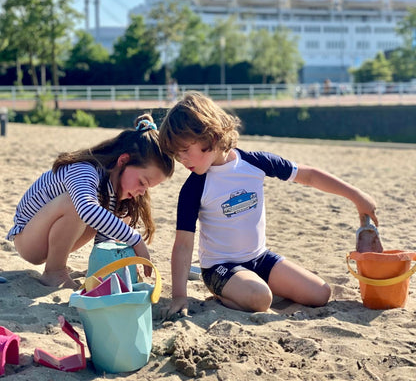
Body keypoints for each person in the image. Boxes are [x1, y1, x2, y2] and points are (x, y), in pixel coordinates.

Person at [159, 91, 379, 316]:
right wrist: (179, 296)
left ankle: (250, 285)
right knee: (261, 298)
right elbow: (183, 245)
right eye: (177, 155)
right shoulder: (193, 188)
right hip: (219, 269)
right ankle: (228, 293)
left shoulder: (255, 163)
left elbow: (309, 176)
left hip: (260, 258)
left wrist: (357, 197)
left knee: (320, 293)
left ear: (211, 136)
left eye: (185, 150)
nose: (182, 160)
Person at [6, 115, 174, 289]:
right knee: (77, 204)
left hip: (54, 237)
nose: (142, 192)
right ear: (123, 160)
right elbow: (86, 209)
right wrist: (135, 240)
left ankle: (63, 265)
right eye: (142, 183)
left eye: (147, 188)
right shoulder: (85, 169)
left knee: (122, 215)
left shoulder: (114, 190)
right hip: (28, 239)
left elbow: (104, 234)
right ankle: (54, 272)